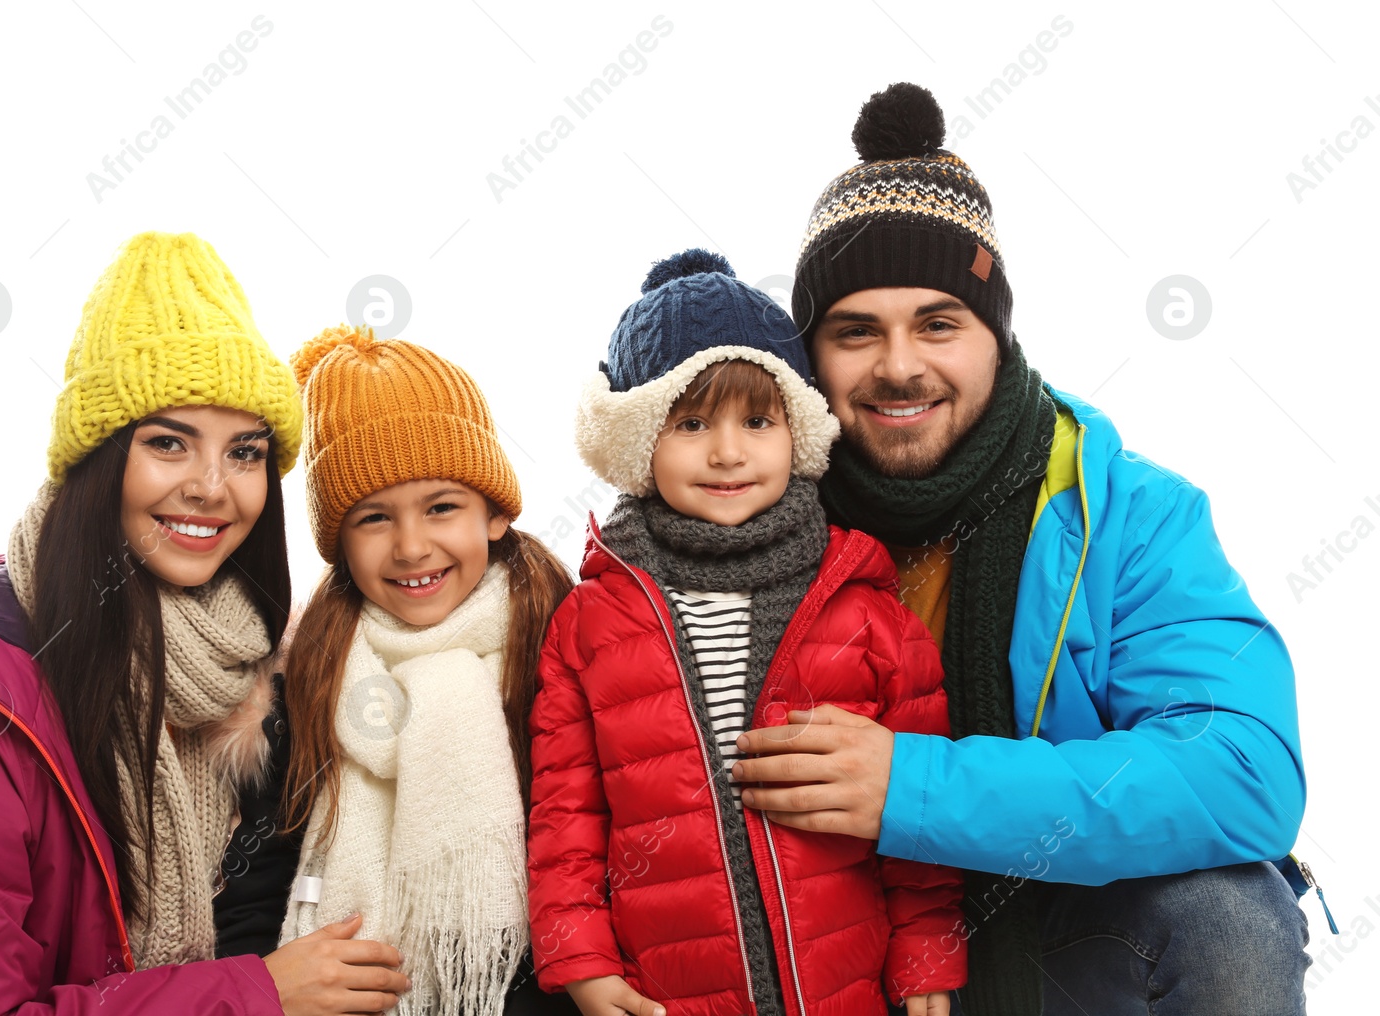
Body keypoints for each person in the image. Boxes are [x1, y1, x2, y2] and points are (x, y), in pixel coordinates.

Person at [729, 82, 1311, 1014]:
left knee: (1231, 916)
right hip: (805, 941)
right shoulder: (741, 505)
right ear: (811, 358)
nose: (900, 366)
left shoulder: (1127, 510)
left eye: (938, 323)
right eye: (855, 332)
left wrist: (911, 789)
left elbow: (1242, 771)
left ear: (994, 333)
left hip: (1046, 943)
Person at [0, 232, 409, 1015]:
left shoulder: (265, 670)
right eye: (168, 443)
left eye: (244, 452)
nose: (211, 487)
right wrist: (254, 996)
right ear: (97, 460)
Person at [527, 250, 968, 1016]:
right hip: (672, 989)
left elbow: (919, 797)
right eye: (691, 423)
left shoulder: (862, 606)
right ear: (638, 444)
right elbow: (567, 815)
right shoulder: (592, 622)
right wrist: (580, 959)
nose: (727, 452)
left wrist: (928, 950)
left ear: (797, 432)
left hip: (843, 987)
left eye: (757, 421)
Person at [276, 325, 579, 1015]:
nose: (413, 547)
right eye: (374, 518)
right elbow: (263, 887)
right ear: (338, 546)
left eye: (441, 507)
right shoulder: (309, 681)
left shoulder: (565, 652)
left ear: (495, 513)